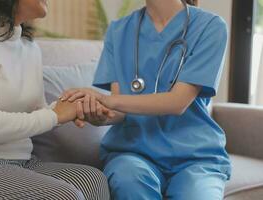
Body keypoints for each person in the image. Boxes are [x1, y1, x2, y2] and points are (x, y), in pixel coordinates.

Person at [61, 0, 231, 199]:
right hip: (134, 153)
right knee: (128, 180)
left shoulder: (210, 27)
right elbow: (118, 112)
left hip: (196, 156)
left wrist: (107, 101)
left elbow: (178, 102)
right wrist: (97, 114)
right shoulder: (119, 31)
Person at [0, 0, 110, 199]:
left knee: (93, 180)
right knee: (64, 196)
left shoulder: (29, 47)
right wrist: (55, 115)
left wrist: (71, 107)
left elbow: (39, 114)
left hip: (22, 161)